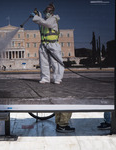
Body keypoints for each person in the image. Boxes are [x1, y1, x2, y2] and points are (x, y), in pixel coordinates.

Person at [31, 3, 75, 133]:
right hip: (44, 44)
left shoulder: (54, 19)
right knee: (43, 62)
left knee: (57, 63)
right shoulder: (44, 19)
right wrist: (37, 13)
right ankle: (45, 78)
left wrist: (35, 17)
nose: (48, 12)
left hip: (53, 44)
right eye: (46, 10)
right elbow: (41, 22)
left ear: (53, 11)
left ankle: (57, 78)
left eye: (49, 10)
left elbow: (46, 24)